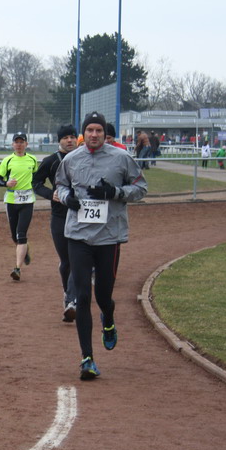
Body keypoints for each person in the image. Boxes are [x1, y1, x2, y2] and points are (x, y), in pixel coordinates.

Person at [55, 111, 147, 380]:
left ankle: (108, 317)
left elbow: (141, 188)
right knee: (83, 296)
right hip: (78, 236)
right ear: (84, 133)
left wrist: (115, 192)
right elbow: (60, 185)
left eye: (98, 130)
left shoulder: (121, 158)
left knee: (103, 296)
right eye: (90, 130)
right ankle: (87, 359)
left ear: (105, 134)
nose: (94, 134)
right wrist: (67, 198)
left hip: (108, 237)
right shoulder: (71, 159)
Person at [32, 124, 79, 322]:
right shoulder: (51, 161)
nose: (69, 140)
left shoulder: (84, 158)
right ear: (59, 140)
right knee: (66, 261)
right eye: (65, 137)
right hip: (60, 215)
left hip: (81, 215)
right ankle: (68, 294)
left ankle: (72, 301)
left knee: (78, 259)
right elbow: (36, 183)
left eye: (72, 137)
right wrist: (51, 194)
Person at [0, 132, 38, 281]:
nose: (19, 144)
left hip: (27, 201)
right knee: (15, 236)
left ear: (26, 144)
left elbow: (36, 177)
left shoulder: (32, 160)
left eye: (22, 142)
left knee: (21, 234)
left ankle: (17, 269)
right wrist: (6, 183)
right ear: (13, 144)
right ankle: (25, 249)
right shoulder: (7, 161)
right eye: (16, 142)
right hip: (12, 201)